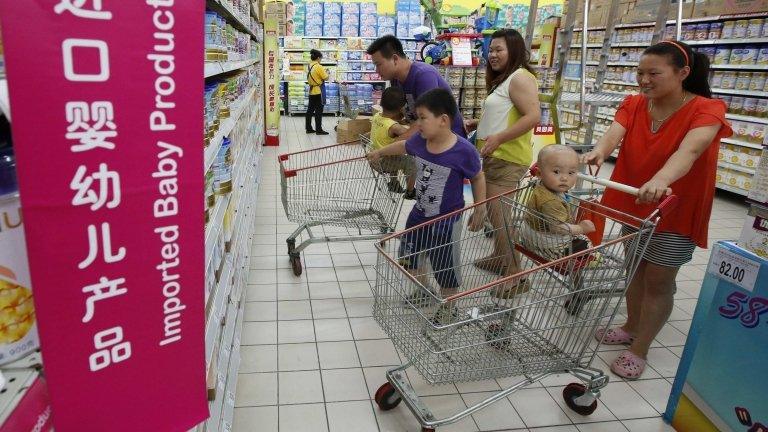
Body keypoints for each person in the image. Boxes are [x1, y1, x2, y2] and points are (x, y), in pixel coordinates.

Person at [582, 40, 732, 379]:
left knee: (659, 281)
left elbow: (690, 152)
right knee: (634, 268)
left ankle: (640, 348)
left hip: (675, 207)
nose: (644, 80)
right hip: (636, 202)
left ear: (683, 73)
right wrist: (598, 152)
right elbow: (613, 133)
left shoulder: (708, 109)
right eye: (640, 73)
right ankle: (631, 324)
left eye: (653, 73)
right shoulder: (635, 104)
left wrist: (662, 179)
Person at [367, 89, 486, 325]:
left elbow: (478, 177)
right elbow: (402, 146)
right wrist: (379, 152)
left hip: (446, 222)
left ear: (443, 120)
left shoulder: (464, 151)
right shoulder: (420, 141)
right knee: (408, 257)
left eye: (422, 117)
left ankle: (449, 307)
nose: (417, 123)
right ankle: (423, 290)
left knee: (445, 268)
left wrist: (480, 208)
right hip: (419, 214)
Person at [464, 29, 540, 288]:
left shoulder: (520, 78)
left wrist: (498, 139)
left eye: (499, 50)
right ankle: (499, 257)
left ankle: (515, 274)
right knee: (497, 216)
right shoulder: (506, 80)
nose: (493, 55)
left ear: (515, 51)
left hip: (507, 157)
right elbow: (507, 114)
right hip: (496, 155)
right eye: (491, 49)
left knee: (500, 215)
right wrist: (478, 123)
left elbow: (532, 116)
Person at [367, 35, 466, 138]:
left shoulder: (424, 75)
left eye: (378, 64)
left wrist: (389, 146)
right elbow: (397, 113)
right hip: (427, 140)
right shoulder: (395, 80)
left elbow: (428, 120)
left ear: (395, 59)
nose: (376, 70)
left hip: (449, 143)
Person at [520, 145, 595, 260]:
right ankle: (592, 258)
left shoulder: (542, 186)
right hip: (548, 247)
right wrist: (581, 228)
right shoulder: (551, 201)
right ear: (540, 174)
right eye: (556, 172)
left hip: (531, 238)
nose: (564, 178)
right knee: (585, 243)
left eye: (571, 173)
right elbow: (558, 228)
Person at [369, 87, 416, 196]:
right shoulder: (394, 126)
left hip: (375, 159)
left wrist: (402, 120)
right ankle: (410, 191)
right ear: (401, 108)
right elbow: (409, 134)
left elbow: (388, 123)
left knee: (393, 152)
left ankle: (394, 184)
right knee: (410, 162)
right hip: (384, 162)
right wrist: (414, 124)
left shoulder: (377, 116)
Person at [306, 49, 329, 135]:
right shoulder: (319, 66)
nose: (321, 60)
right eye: (321, 58)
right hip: (319, 91)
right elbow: (326, 78)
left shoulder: (309, 65)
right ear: (318, 58)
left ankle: (308, 128)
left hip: (311, 90)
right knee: (319, 111)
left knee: (310, 110)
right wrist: (327, 73)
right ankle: (319, 130)